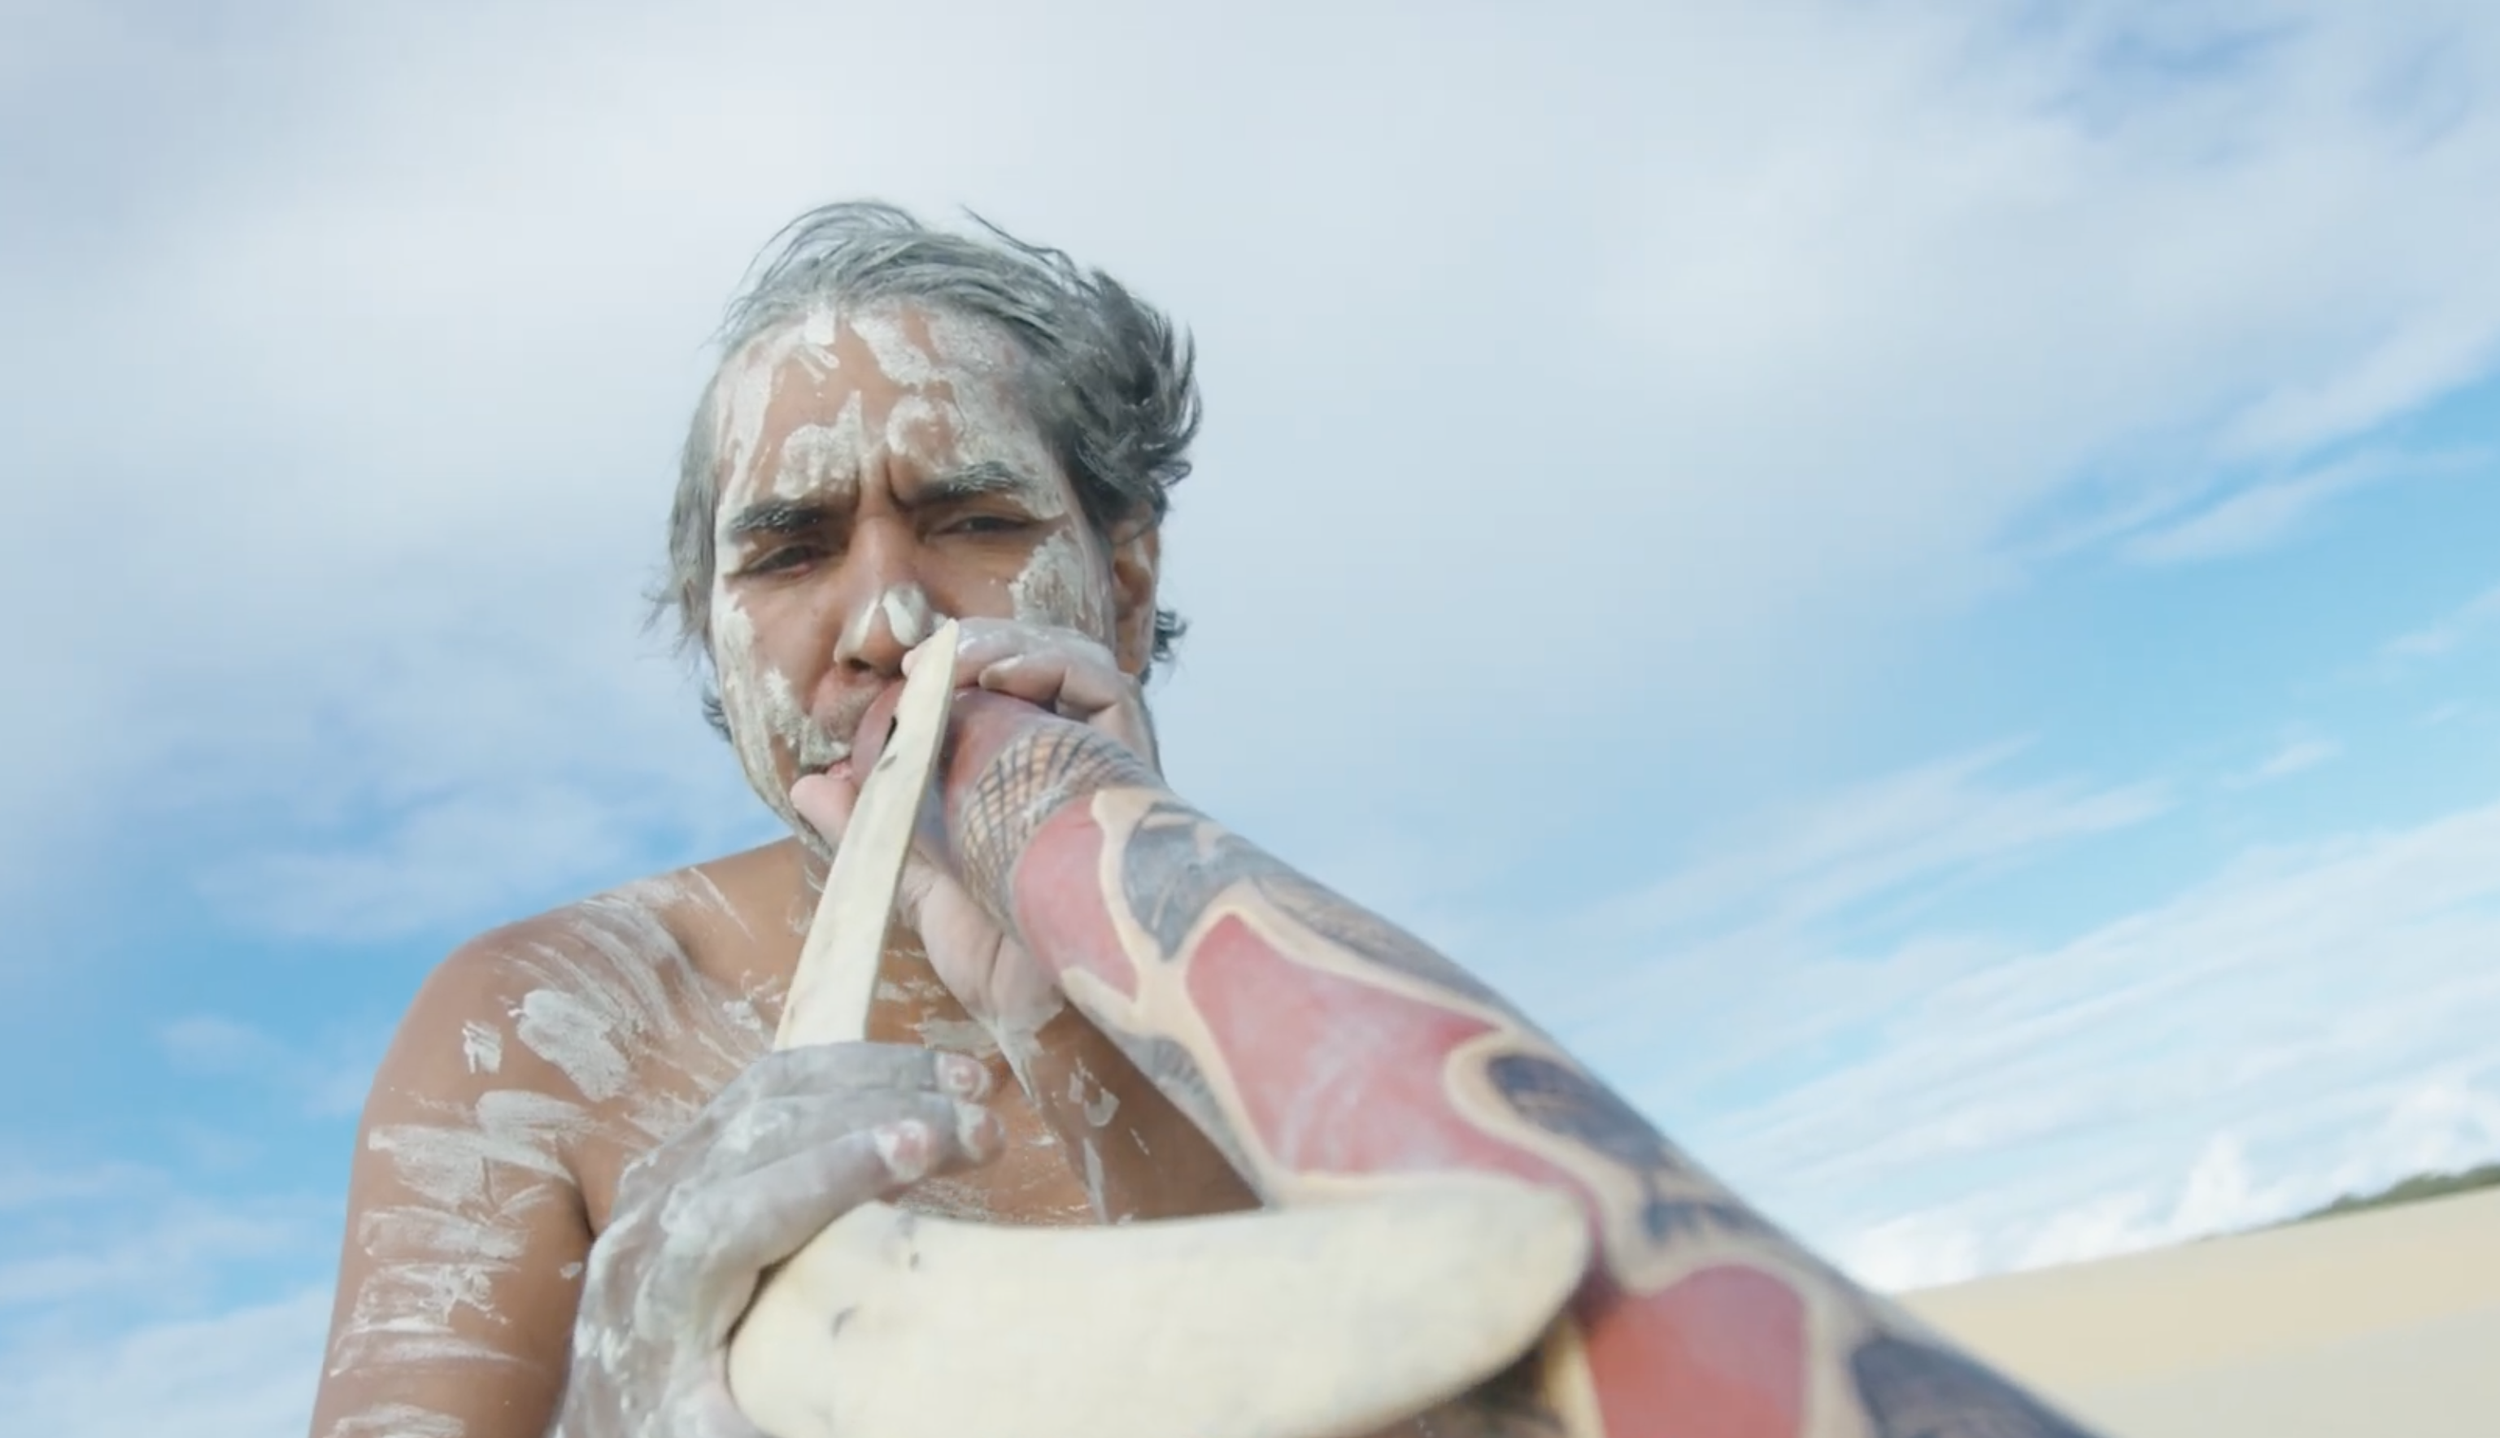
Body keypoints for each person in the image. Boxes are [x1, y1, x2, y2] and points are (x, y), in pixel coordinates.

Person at [308, 202, 2098, 1438]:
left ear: (1124, 575)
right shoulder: (546, 1029)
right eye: (786, 551)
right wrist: (635, 1388)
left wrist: (1078, 1027)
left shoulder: (1260, 977)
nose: (888, 618)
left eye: (969, 515)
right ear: (711, 637)